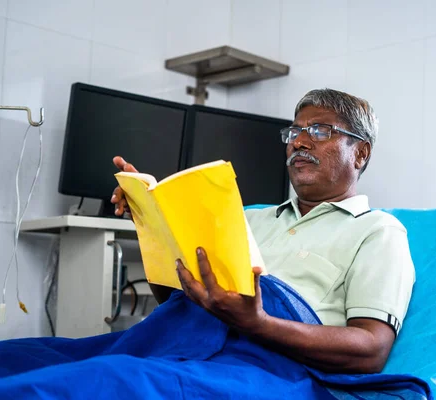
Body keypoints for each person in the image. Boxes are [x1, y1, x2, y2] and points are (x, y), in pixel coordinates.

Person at [111, 88, 415, 374]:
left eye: (321, 131)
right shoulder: (247, 219)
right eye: (294, 133)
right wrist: (150, 222)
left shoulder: (378, 231)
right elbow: (177, 301)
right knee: (69, 360)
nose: (299, 142)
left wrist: (259, 324)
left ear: (360, 153)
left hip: (266, 371)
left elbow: (371, 349)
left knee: (104, 380)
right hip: (184, 349)